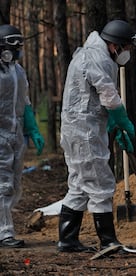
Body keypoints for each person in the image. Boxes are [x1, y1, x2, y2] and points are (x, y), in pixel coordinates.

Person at [58, 19, 136, 252]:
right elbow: (107, 93)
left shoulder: (91, 54)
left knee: (79, 184)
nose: (127, 54)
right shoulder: (98, 57)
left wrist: (113, 124)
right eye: (126, 49)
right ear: (115, 46)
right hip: (84, 131)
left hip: (80, 128)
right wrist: (121, 119)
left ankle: (67, 239)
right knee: (100, 183)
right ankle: (108, 240)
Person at [0, 24, 45, 247]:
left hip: (15, 134)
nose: (18, 50)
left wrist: (32, 129)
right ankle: (4, 233)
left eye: (20, 45)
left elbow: (24, 102)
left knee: (15, 184)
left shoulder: (18, 71)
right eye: (13, 45)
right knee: (3, 184)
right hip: (0, 134)